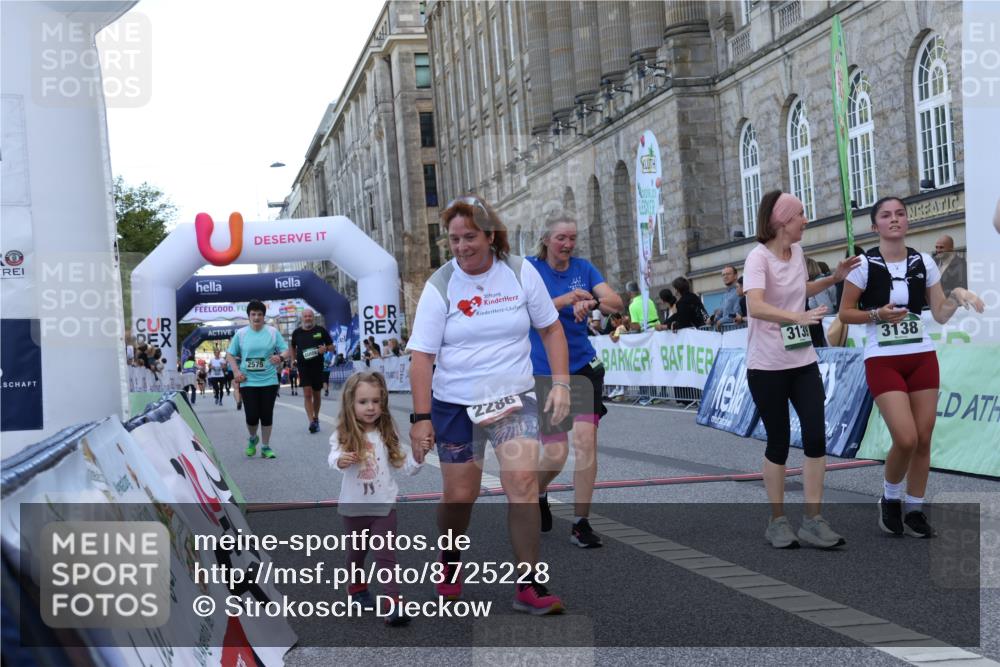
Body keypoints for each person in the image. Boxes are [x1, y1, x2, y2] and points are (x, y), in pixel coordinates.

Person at [407, 194, 570, 615]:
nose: (461, 247)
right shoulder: (441, 285)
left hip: (512, 397)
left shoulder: (519, 272)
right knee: (462, 495)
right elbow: (422, 357)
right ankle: (449, 557)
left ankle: (528, 585)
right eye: (454, 239)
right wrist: (421, 419)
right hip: (455, 403)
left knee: (523, 486)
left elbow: (551, 329)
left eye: (470, 237)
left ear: (491, 235)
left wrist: (561, 384)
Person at [838, 197, 984, 538]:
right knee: (904, 437)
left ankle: (915, 507)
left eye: (900, 214)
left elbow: (940, 313)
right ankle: (890, 498)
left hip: (921, 355)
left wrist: (958, 294)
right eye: (886, 216)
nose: (894, 220)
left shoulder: (923, 262)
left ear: (907, 222)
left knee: (924, 437)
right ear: (875, 226)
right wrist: (877, 314)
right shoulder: (864, 265)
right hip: (882, 358)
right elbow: (846, 312)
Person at [743, 190, 860, 549]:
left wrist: (833, 279)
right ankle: (777, 521)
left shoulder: (796, 254)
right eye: (801, 215)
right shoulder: (757, 258)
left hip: (802, 360)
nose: (806, 221)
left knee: (815, 436)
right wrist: (796, 316)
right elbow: (757, 305)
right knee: (777, 442)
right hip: (766, 365)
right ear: (782, 220)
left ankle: (813, 519)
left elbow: (800, 289)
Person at [528, 211, 625, 549]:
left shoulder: (583, 268)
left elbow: (616, 302)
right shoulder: (531, 269)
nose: (568, 244)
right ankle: (537, 492)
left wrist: (592, 300)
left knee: (585, 443)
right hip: (547, 370)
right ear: (546, 239)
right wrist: (565, 300)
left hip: (582, 366)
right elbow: (524, 310)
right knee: (556, 453)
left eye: (572, 238)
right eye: (561, 238)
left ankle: (581, 522)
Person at [329, 372, 423, 627]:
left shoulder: (387, 432)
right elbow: (333, 456)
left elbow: (405, 465)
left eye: (375, 401)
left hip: (384, 506)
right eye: (363, 402)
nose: (370, 407)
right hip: (353, 507)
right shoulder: (343, 433)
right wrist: (340, 460)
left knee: (386, 556)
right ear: (350, 404)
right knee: (357, 553)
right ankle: (357, 587)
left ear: (383, 403)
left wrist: (419, 456)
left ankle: (393, 602)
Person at [227, 300, 289, 459]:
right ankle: (253, 438)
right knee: (252, 416)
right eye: (253, 314)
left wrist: (280, 357)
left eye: (259, 314)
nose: (256, 317)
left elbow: (286, 350)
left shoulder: (272, 332)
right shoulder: (241, 334)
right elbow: (230, 354)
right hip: (248, 380)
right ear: (249, 316)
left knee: (267, 415)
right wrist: (235, 372)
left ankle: (266, 447)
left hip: (269, 380)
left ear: (264, 316)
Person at [290, 308, 333, 434]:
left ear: (313, 317)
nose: (308, 318)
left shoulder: (320, 331)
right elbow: (292, 346)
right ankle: (311, 422)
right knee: (307, 393)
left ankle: (316, 417)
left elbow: (331, 346)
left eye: (310, 316)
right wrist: (293, 359)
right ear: (302, 318)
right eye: (305, 316)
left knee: (317, 394)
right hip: (303, 367)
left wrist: (325, 348)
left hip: (317, 366)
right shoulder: (297, 333)